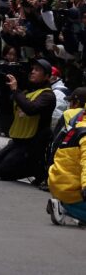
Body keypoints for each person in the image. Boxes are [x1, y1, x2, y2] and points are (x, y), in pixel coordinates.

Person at [0, 59, 56, 183]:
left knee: (4, 172)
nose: (32, 72)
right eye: (32, 69)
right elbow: (6, 109)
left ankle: (38, 169)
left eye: (37, 70)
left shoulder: (48, 95)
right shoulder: (26, 91)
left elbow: (31, 109)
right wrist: (6, 87)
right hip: (18, 141)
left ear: (47, 77)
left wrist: (15, 90)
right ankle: (30, 165)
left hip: (32, 143)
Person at [46, 88, 86, 225]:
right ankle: (65, 208)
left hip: (57, 179)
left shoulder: (79, 122)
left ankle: (68, 209)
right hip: (70, 188)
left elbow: (54, 144)